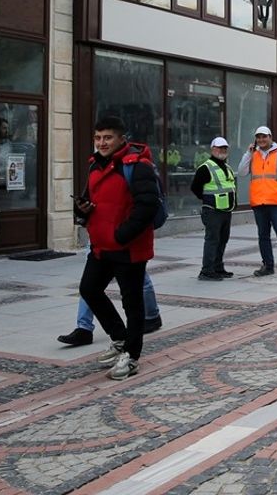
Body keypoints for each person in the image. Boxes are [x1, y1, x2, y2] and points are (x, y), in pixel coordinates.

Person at [75, 115, 161, 381]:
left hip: (128, 247)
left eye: (107, 137)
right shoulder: (94, 166)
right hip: (101, 246)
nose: (101, 142)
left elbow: (148, 206)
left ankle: (132, 356)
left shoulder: (138, 166)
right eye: (98, 138)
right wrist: (82, 211)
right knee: (89, 289)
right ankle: (120, 338)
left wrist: (122, 234)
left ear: (121, 138)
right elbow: (89, 200)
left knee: (132, 303)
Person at [237, 126, 277, 277]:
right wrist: (248, 153)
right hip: (259, 202)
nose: (261, 140)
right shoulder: (253, 154)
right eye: (258, 137)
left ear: (270, 137)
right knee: (263, 236)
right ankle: (268, 266)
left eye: (264, 137)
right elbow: (241, 172)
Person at [192, 137, 237, 281]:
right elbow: (195, 187)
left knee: (222, 239)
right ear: (213, 149)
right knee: (212, 240)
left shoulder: (227, 167)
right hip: (212, 210)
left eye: (224, 148)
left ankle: (218, 267)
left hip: (225, 210)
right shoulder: (206, 167)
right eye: (219, 148)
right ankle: (206, 271)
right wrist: (207, 200)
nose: (222, 151)